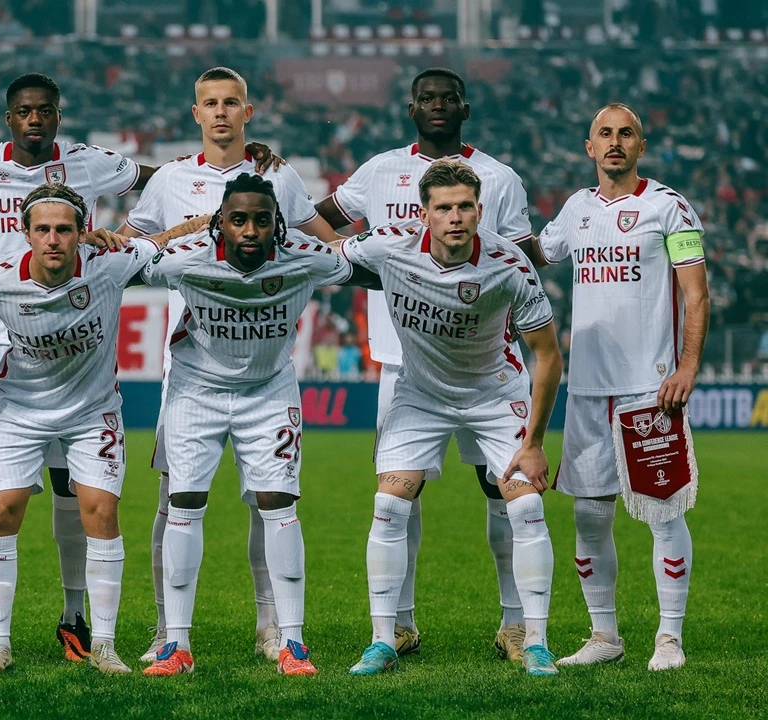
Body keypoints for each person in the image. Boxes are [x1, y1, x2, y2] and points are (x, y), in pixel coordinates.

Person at [0, 71, 282, 662]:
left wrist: (239, 162)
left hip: (78, 312)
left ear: (58, 115)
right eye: (23, 111)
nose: (34, 119)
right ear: (9, 117)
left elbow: (158, 180)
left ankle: (75, 616)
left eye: (44, 110)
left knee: (75, 488)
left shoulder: (88, 163)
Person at [117, 66, 338, 663]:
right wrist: (189, 231)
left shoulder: (279, 176)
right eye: (210, 103)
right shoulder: (170, 179)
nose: (220, 112)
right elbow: (128, 248)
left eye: (231, 102)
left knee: (269, 501)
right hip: (192, 361)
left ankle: (273, 626)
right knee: (174, 498)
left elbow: (325, 243)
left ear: (248, 112)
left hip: (265, 357)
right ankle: (167, 629)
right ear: (196, 114)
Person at [315, 67, 536, 660]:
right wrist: (375, 274)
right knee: (398, 495)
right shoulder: (379, 170)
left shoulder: (500, 178)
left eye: (448, 98)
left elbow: (523, 258)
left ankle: (515, 624)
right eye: (427, 99)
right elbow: (321, 224)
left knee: (501, 491)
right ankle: (400, 625)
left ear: (465, 108)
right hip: (402, 361)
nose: (438, 106)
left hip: (485, 360)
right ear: (411, 109)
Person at [137, 173, 377, 677]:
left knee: (278, 503)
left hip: (269, 391)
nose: (250, 230)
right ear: (220, 223)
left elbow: (369, 271)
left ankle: (293, 642)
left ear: (278, 224)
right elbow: (122, 268)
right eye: (239, 220)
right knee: (184, 502)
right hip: (195, 391)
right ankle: (175, 644)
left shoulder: (307, 258)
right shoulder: (185, 260)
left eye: (262, 220)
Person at [341, 160, 562, 678]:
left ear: (480, 211)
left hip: (495, 394)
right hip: (421, 394)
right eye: (444, 208)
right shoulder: (390, 243)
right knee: (388, 504)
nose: (455, 217)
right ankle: (383, 640)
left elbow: (548, 355)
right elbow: (328, 256)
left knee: (527, 507)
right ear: (424, 214)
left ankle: (535, 642)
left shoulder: (509, 264)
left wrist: (534, 443)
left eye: (465, 206)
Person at [527, 103, 709, 672]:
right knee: (589, 516)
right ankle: (604, 635)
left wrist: (687, 366)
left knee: (663, 512)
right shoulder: (576, 209)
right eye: (604, 134)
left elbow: (696, 294)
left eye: (625, 133)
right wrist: (479, 233)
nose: (614, 142)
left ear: (640, 146)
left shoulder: (669, 207)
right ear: (589, 148)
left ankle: (669, 638)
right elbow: (535, 254)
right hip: (587, 388)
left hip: (650, 388)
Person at [0, 183, 158, 675]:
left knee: (101, 511)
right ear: (24, 233)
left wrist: (207, 222)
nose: (53, 239)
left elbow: (163, 242)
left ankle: (104, 645)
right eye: (42, 229)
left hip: (92, 413)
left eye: (64, 229)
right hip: (20, 411)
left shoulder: (110, 264)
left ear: (83, 232)